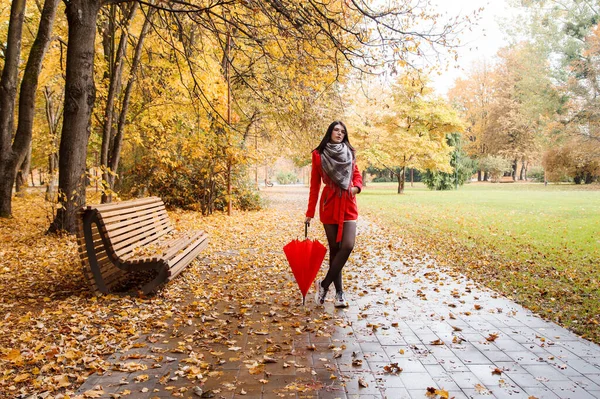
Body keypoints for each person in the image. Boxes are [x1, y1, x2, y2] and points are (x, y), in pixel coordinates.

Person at [305, 121, 363, 308]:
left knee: (347, 245)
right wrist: (309, 212)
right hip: (329, 204)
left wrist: (356, 188)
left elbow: (356, 174)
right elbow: (315, 185)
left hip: (348, 203)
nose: (339, 133)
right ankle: (339, 294)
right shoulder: (318, 155)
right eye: (336, 130)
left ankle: (323, 285)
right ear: (330, 132)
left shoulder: (350, 152)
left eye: (343, 131)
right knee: (335, 249)